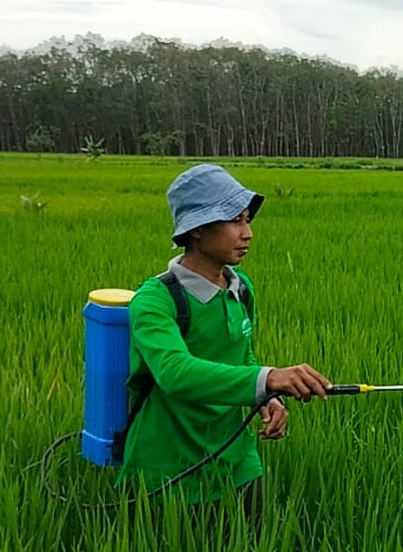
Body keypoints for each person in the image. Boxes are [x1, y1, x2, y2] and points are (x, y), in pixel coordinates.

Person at [117, 163, 331, 515]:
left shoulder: (240, 288)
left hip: (237, 458)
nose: (247, 234)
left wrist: (265, 397)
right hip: (170, 469)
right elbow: (174, 372)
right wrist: (268, 378)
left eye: (247, 220)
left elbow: (243, 357)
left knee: (254, 545)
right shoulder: (155, 300)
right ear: (198, 229)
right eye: (235, 221)